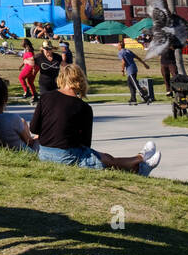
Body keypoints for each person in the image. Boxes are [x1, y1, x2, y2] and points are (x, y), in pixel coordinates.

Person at [32, 65, 160, 174]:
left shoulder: (45, 97)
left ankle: (140, 160)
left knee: (105, 158)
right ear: (80, 81)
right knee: (108, 159)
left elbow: (34, 128)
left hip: (43, 153)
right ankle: (140, 161)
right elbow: (86, 144)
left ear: (60, 79)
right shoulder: (84, 107)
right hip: (66, 156)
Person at [0, 78, 37, 151]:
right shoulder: (12, 118)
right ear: (5, 98)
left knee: (23, 121)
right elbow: (29, 142)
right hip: (23, 152)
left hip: (5, 150)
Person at [117, 36, 151, 105]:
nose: (117, 47)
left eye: (118, 45)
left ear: (120, 46)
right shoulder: (128, 51)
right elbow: (137, 57)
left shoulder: (120, 53)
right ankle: (133, 99)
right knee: (130, 84)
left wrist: (122, 70)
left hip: (130, 70)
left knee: (135, 85)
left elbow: (123, 62)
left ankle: (145, 97)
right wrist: (144, 64)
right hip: (134, 69)